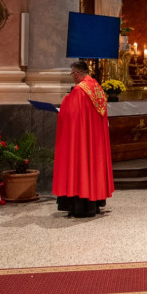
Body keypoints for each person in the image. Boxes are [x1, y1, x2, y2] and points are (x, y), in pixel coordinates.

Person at [53, 61, 115, 218]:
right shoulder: (96, 87)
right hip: (95, 139)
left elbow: (70, 113)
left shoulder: (79, 90)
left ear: (76, 74)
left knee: (80, 166)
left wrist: (64, 104)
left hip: (81, 137)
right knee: (92, 166)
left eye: (72, 74)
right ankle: (95, 203)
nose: (72, 77)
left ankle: (81, 207)